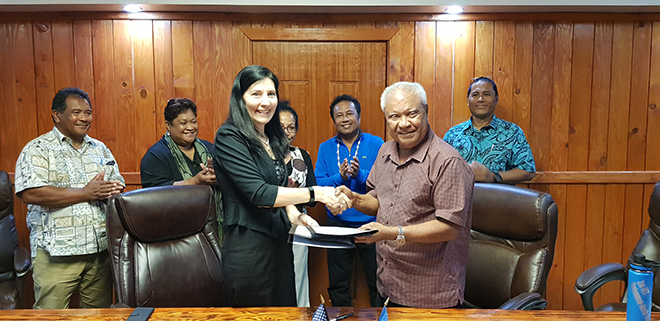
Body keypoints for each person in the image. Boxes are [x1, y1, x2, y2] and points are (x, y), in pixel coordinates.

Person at [212, 65, 348, 307]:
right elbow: (259, 193)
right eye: (256, 94)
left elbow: (276, 185)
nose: (266, 102)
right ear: (240, 99)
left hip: (280, 244)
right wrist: (317, 193)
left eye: (271, 94)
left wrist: (293, 213)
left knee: (285, 311)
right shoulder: (229, 137)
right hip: (249, 249)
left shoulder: (271, 139)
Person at [335, 82, 474, 308]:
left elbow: (449, 228)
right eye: (394, 116)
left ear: (426, 111)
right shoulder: (385, 151)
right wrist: (354, 198)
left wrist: (391, 233)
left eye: (412, 114)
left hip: (429, 295)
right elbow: (378, 200)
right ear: (386, 119)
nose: (404, 124)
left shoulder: (447, 161)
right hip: (388, 285)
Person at [14, 87, 125, 309]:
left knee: (98, 316)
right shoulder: (38, 148)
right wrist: (86, 192)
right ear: (57, 115)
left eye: (88, 112)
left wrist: (114, 189)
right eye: (76, 112)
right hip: (56, 254)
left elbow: (117, 183)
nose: (84, 118)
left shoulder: (100, 149)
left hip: (99, 252)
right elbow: (30, 193)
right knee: (50, 316)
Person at [315, 94, 383, 307]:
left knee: (377, 282)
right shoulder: (326, 148)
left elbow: (383, 181)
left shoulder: (376, 143)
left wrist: (359, 175)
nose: (344, 119)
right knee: (338, 283)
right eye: (339, 115)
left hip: (370, 223)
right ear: (334, 120)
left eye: (349, 114)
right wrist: (341, 178)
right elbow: (319, 182)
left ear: (359, 117)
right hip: (337, 223)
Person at [140, 98, 223, 237]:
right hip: (176, 233)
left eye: (193, 121)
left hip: (215, 229)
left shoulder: (209, 149)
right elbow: (154, 196)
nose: (190, 127)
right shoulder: (155, 156)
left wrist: (219, 177)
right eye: (183, 123)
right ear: (168, 125)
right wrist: (196, 181)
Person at [443, 77, 535, 184]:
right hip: (459, 199)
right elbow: (440, 170)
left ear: (496, 99)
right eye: (475, 95)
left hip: (498, 199)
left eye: (486, 94)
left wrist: (493, 177)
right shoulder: (453, 134)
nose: (480, 99)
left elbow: (528, 171)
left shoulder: (512, 132)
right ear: (468, 100)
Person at [278, 100, 316, 307]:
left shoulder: (303, 156)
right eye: (281, 127)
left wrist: (296, 195)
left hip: (299, 224)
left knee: (299, 276)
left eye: (291, 127)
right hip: (268, 225)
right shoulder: (261, 156)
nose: (287, 132)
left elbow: (312, 199)